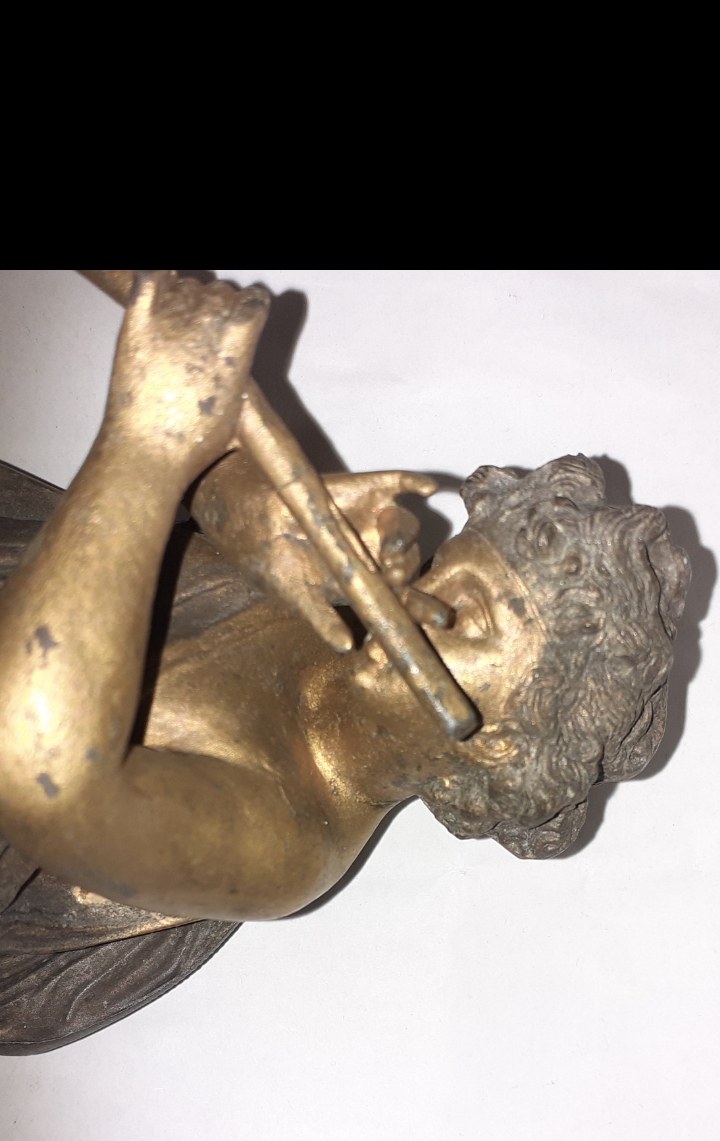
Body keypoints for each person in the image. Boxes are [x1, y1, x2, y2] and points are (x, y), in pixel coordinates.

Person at [0, 274, 690, 1052]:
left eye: (466, 617)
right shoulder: (333, 616)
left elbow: (43, 777)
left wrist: (145, 444)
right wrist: (247, 504)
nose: (414, 600)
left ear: (500, 742)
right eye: (439, 569)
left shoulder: (288, 842)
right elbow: (201, 510)